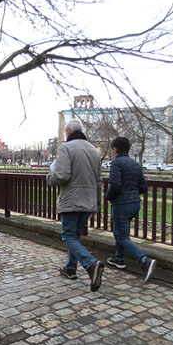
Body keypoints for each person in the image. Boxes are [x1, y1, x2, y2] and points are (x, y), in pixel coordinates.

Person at [47, 119, 104, 292]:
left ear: (69, 132)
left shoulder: (66, 148)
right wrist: (97, 204)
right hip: (88, 201)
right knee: (75, 236)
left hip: (72, 200)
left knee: (68, 236)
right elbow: (98, 180)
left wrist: (49, 177)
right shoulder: (93, 150)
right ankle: (70, 268)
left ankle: (91, 265)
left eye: (65, 133)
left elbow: (62, 175)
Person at [105, 137, 156, 283]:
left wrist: (109, 197)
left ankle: (145, 261)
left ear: (115, 149)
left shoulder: (116, 162)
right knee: (122, 233)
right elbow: (143, 187)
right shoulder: (135, 163)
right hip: (135, 203)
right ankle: (118, 258)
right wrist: (132, 194)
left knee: (121, 236)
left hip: (121, 204)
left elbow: (115, 185)